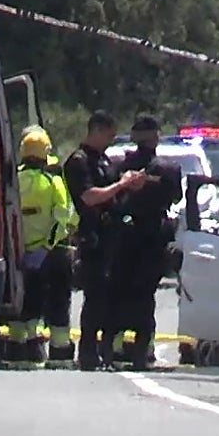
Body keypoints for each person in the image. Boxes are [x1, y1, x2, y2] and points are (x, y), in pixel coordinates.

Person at [62, 110, 148, 371]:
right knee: (94, 296)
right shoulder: (78, 161)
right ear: (96, 130)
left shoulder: (103, 160)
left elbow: (112, 196)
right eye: (109, 135)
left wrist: (130, 186)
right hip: (91, 236)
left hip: (111, 235)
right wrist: (120, 185)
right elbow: (89, 197)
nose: (111, 140)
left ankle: (102, 350)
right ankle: (87, 352)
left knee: (107, 297)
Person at [105, 115, 182, 370]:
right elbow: (174, 196)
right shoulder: (137, 166)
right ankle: (137, 350)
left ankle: (120, 348)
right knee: (140, 295)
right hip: (139, 235)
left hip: (137, 234)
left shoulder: (156, 168)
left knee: (125, 293)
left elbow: (172, 195)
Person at [5, 127, 77, 364]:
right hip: (52, 253)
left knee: (22, 301)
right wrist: (46, 247)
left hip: (18, 254)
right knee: (57, 301)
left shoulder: (13, 181)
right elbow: (65, 217)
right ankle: (60, 351)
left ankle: (18, 348)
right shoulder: (53, 181)